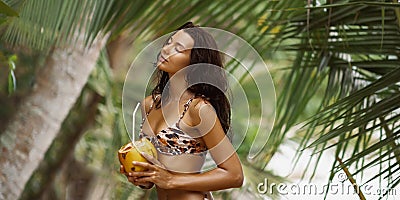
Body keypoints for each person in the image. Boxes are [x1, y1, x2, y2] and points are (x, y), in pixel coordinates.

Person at [120, 22, 243, 200]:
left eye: (178, 48)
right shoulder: (150, 104)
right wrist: (141, 176)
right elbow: (158, 175)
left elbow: (234, 175)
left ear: (193, 62)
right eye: (169, 42)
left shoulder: (198, 109)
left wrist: (171, 180)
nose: (167, 49)